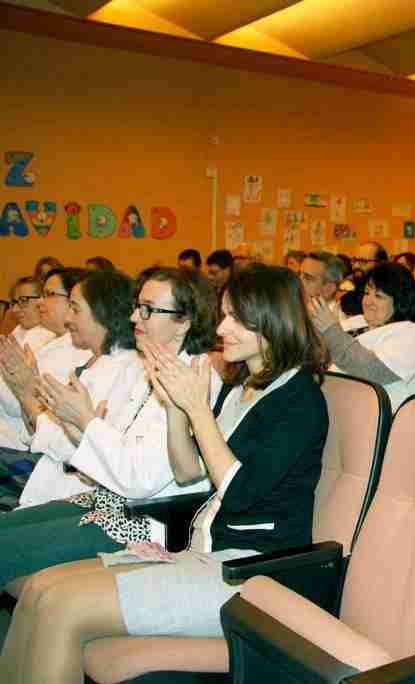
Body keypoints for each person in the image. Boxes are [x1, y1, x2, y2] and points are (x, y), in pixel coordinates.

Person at [0, 264, 329, 682]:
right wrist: (177, 409)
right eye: (224, 314)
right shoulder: (243, 383)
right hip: (201, 548)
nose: (222, 327)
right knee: (40, 592)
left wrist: (196, 410)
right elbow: (189, 471)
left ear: (271, 321)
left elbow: (240, 493)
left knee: (61, 605)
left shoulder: (300, 399)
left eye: (235, 318)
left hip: (249, 570)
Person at [0, 267, 220, 586]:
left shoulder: (194, 379)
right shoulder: (151, 369)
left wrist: (85, 423)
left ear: (184, 322)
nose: (134, 317)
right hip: (109, 501)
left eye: (148, 309)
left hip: (147, 522)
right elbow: (106, 462)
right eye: (136, 306)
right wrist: (79, 428)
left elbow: (138, 479)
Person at [1, 270, 145, 510]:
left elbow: (76, 452)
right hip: (47, 474)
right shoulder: (94, 361)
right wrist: (25, 388)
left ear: (103, 313)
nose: (68, 319)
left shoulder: (125, 370)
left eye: (75, 309)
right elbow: (40, 431)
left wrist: (27, 393)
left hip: (76, 492)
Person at [312, 262, 415, 409]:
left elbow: (371, 371)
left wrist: (330, 330)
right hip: (332, 401)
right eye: (367, 293)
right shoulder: (358, 321)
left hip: (375, 418)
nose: (368, 301)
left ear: (400, 301)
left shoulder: (412, 335)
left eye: (379, 296)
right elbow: (319, 352)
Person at [0, 269, 92, 457]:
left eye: (50, 295)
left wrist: (21, 383)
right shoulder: (47, 338)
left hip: (30, 449)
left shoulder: (80, 352)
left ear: (73, 301)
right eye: (42, 294)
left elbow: (24, 409)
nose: (40, 302)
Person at [8, 277, 53, 352]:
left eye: (23, 301)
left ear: (42, 300)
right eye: (14, 302)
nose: (14, 310)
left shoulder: (48, 335)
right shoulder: (20, 328)